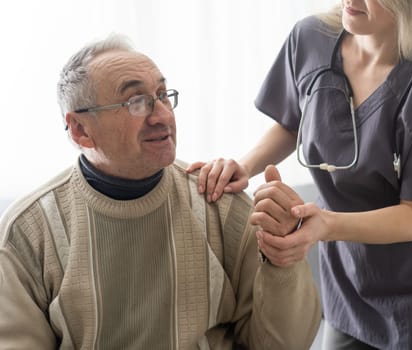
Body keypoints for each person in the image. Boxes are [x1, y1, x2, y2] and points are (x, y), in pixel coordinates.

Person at [187, 0, 412, 349]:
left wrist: (325, 225)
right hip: (348, 281)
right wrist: (245, 166)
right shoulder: (310, 39)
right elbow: (294, 122)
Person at [0, 34, 322, 349]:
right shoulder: (28, 233)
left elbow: (285, 344)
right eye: (136, 102)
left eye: (163, 95)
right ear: (81, 130)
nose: (164, 116)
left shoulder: (220, 205)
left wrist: (283, 257)